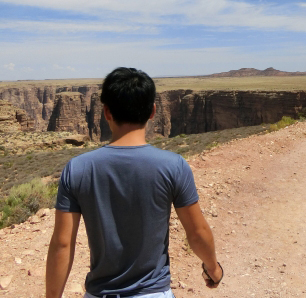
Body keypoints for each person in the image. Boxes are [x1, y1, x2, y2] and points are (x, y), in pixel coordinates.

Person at [46, 67, 223, 298]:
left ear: (106, 112)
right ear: (153, 111)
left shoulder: (77, 169)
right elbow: (197, 233)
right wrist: (213, 268)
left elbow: (62, 244)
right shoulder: (173, 166)